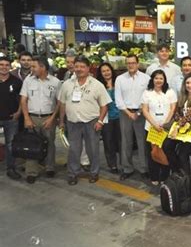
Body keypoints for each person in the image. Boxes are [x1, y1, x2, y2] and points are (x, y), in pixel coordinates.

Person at [58, 55, 111, 185]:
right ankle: (73, 173)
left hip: (92, 122)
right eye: (77, 66)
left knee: (92, 149)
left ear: (88, 68)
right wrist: (61, 121)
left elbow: (104, 105)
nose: (79, 69)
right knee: (74, 149)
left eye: (82, 66)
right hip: (72, 122)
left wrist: (100, 121)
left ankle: (94, 172)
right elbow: (63, 104)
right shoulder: (67, 84)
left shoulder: (97, 85)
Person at [20, 55, 61, 183]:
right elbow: (23, 100)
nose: (31, 68)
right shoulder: (28, 80)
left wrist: (53, 118)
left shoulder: (55, 82)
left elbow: (59, 102)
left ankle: (50, 167)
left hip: (48, 118)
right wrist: (26, 118)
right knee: (31, 144)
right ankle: (32, 171)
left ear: (42, 67)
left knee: (49, 143)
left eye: (34, 66)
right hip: (32, 117)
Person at [115, 54, 150, 180]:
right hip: (125, 114)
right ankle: (127, 168)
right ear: (126, 64)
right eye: (128, 63)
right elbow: (118, 99)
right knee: (126, 142)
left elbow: (148, 97)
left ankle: (144, 168)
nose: (131, 65)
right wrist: (129, 113)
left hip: (142, 113)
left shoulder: (146, 78)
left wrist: (139, 112)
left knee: (142, 142)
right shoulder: (120, 79)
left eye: (133, 63)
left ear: (138, 63)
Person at [164, 73, 191, 175]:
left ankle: (186, 180)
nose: (189, 85)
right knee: (166, 146)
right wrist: (177, 125)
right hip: (181, 130)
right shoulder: (182, 97)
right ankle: (177, 171)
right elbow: (177, 114)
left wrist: (177, 126)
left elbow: (190, 115)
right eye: (187, 83)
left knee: (183, 153)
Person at [141, 70, 177, 185]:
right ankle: (154, 176)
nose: (158, 81)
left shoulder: (170, 92)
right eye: (156, 78)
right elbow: (145, 110)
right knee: (153, 152)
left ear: (164, 80)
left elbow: (172, 108)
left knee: (165, 151)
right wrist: (154, 124)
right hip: (151, 128)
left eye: (161, 78)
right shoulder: (147, 93)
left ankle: (165, 176)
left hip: (165, 129)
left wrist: (165, 123)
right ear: (152, 79)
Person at [0, 56, 22, 180]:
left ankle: (11, 168)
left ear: (10, 66)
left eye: (6, 65)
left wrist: (18, 113)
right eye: (1, 64)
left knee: (10, 144)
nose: (3, 67)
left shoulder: (16, 81)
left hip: (11, 118)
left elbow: (22, 100)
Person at [96, 63, 120, 174]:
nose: (106, 73)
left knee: (121, 141)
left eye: (108, 70)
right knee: (108, 142)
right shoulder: (98, 86)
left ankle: (123, 163)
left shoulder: (118, 82)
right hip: (106, 118)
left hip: (120, 117)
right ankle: (112, 165)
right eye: (103, 71)